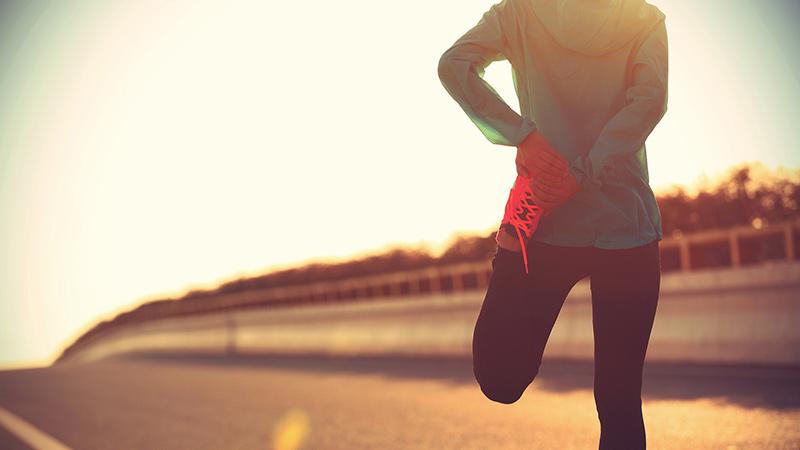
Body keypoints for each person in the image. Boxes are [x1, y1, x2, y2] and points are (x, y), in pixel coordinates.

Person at [438, 0, 668, 448]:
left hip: (542, 220)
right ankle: (510, 245)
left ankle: (508, 248)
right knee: (620, 402)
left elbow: (455, 64)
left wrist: (519, 133)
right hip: (627, 224)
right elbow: (650, 102)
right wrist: (586, 173)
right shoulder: (642, 18)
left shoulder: (518, 13)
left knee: (499, 380)